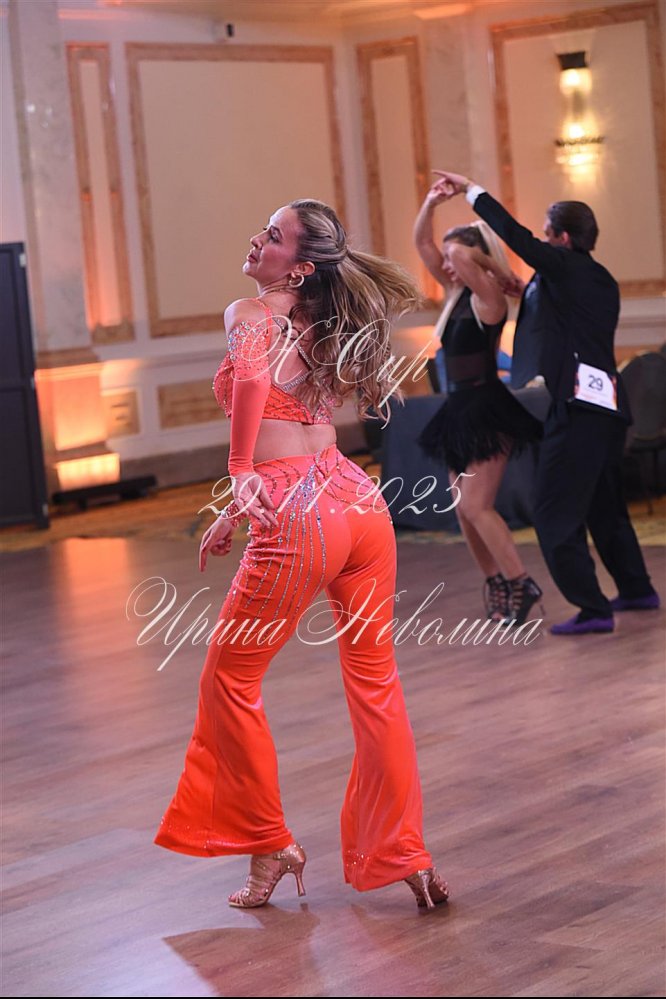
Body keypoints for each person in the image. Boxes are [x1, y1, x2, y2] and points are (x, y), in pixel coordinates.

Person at [154, 199, 449, 912]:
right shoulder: (328, 322)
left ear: (302, 265)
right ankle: (405, 853)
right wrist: (237, 505)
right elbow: (298, 430)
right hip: (357, 502)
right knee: (376, 686)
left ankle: (270, 844)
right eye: (264, 228)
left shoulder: (251, 313)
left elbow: (256, 386)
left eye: (275, 236)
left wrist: (239, 472)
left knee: (229, 681)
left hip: (299, 513)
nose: (257, 239)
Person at [434, 170, 660, 634]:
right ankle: (637, 589)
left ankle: (593, 610)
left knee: (553, 512)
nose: (539, 237)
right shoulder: (597, 278)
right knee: (604, 506)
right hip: (607, 408)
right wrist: (527, 291)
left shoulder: (561, 267)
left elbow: (513, 236)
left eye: (545, 232)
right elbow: (569, 316)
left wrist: (472, 191)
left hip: (577, 409)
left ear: (561, 238)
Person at [413, 180, 543, 626]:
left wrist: (483, 261)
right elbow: (424, 245)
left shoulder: (489, 299)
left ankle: (522, 581)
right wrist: (431, 202)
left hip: (488, 407)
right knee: (462, 511)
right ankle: (497, 583)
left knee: (476, 505)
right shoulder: (455, 297)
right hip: (458, 410)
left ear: (474, 258)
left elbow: (461, 255)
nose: (446, 264)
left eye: (454, 257)